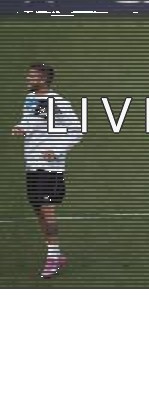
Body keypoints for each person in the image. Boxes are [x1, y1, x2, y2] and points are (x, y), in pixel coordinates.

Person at [11, 63, 82, 278]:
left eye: (31, 76)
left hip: (49, 168)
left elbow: (77, 130)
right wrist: (22, 127)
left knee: (46, 208)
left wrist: (57, 150)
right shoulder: (33, 99)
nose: (27, 78)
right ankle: (56, 254)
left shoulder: (57, 102)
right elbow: (34, 120)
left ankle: (52, 257)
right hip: (32, 164)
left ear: (42, 79)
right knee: (38, 210)